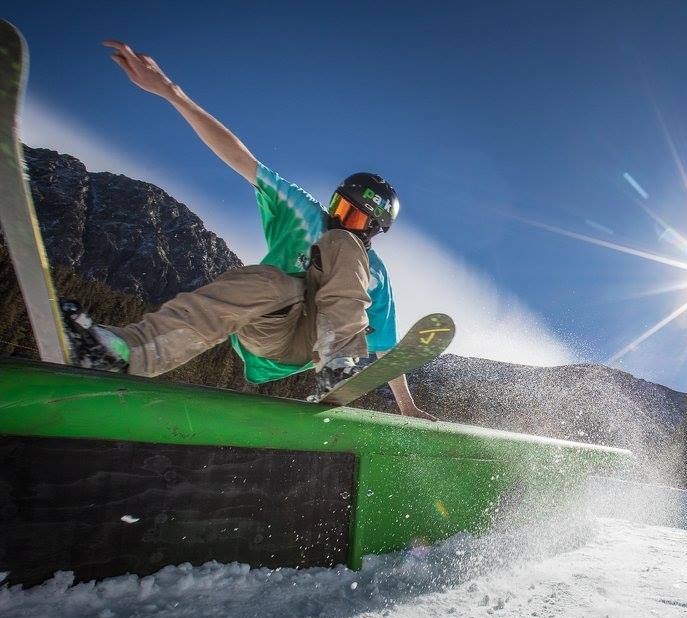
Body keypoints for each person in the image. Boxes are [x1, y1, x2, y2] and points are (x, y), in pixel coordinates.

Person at [63, 40, 435, 419]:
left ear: (374, 230)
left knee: (341, 246)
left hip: (312, 343)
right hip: (266, 330)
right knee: (275, 282)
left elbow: (388, 348)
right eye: (340, 207)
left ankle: (339, 360)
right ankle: (124, 352)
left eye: (355, 219)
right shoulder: (301, 210)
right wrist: (170, 92)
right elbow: (241, 157)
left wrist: (407, 406)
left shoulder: (375, 274)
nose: (339, 220)